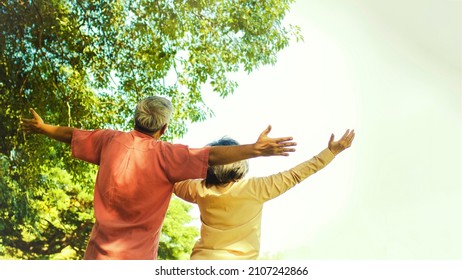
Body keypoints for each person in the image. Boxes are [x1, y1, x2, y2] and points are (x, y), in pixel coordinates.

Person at [20, 96, 297, 260]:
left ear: (135, 119)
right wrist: (255, 150)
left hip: (96, 256)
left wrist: (44, 128)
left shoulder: (108, 141)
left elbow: (73, 134)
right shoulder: (167, 156)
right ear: (163, 128)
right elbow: (210, 156)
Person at [173, 129, 355, 260]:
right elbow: (296, 174)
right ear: (240, 163)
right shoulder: (256, 188)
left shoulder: (198, 189)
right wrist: (331, 152)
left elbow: (169, 179)